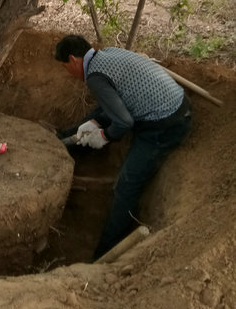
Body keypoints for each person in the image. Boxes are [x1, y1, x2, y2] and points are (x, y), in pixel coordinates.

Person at [54, 34, 192, 259]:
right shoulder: (107, 54)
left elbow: (124, 122)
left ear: (73, 60)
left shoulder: (95, 77)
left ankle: (106, 252)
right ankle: (63, 140)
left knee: (126, 186)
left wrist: (105, 136)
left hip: (165, 125)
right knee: (98, 115)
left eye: (65, 67)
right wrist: (94, 123)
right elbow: (111, 106)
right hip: (176, 105)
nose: (67, 73)